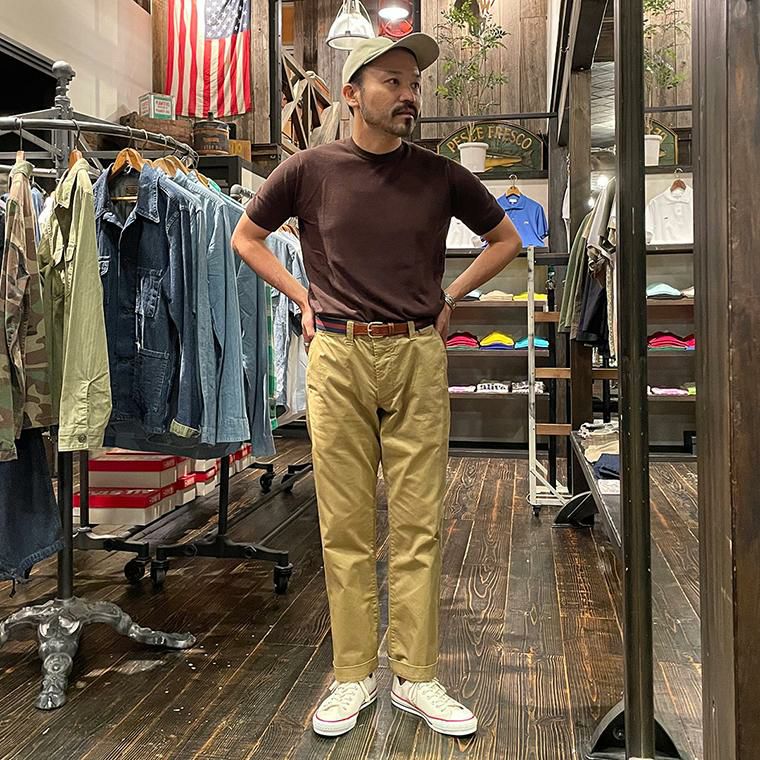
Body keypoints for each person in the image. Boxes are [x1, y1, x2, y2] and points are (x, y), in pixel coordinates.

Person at [232, 33, 522, 739]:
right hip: (339, 354)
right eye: (392, 81)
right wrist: (301, 295)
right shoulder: (308, 170)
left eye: (413, 84)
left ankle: (416, 675)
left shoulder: (441, 175)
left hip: (418, 352)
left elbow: (506, 239)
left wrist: (450, 293)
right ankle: (354, 672)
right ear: (352, 93)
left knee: (420, 522)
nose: (408, 94)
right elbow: (246, 237)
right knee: (345, 524)